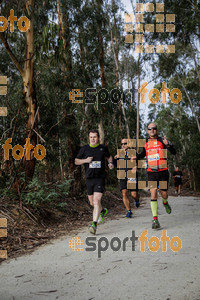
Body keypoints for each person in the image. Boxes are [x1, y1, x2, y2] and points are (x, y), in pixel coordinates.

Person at [134, 123, 176, 229]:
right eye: (150, 129)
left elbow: (174, 152)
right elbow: (143, 154)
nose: (152, 130)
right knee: (153, 193)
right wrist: (136, 156)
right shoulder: (146, 142)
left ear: (157, 130)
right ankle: (155, 220)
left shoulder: (162, 140)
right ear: (147, 131)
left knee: (164, 194)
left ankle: (165, 202)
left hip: (163, 171)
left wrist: (168, 145)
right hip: (151, 172)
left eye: (154, 128)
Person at [75, 130, 113, 234]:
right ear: (89, 138)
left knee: (96, 201)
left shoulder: (103, 148)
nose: (93, 139)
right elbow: (76, 161)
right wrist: (85, 161)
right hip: (89, 178)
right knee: (92, 203)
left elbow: (109, 156)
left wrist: (110, 163)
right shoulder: (84, 149)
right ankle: (102, 211)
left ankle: (94, 225)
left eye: (94, 137)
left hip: (100, 178)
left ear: (98, 138)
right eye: (91, 137)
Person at [114, 138, 140, 218]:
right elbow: (115, 164)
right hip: (122, 175)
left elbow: (140, 161)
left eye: (125, 143)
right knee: (124, 193)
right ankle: (129, 211)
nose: (123, 145)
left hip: (132, 175)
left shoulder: (133, 152)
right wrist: (115, 159)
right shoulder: (119, 153)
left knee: (134, 194)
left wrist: (137, 167)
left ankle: (137, 200)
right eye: (122, 144)